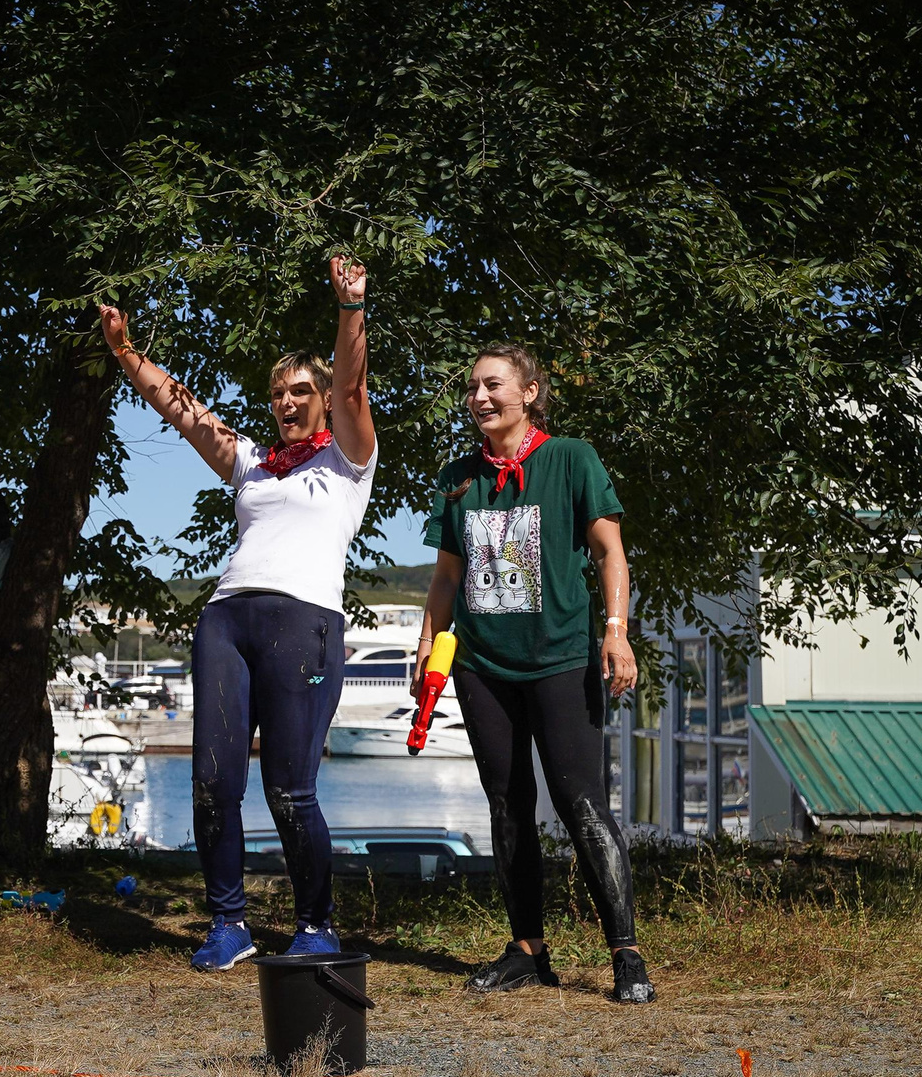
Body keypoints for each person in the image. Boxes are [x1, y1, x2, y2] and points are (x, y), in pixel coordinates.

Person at [100, 256, 376, 972]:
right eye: (279, 392)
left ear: (322, 399)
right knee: (215, 781)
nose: (287, 402)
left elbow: (352, 383)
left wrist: (351, 307)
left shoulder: (348, 459)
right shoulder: (252, 461)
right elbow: (185, 410)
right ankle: (229, 922)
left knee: (289, 786)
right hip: (227, 620)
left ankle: (316, 920)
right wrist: (128, 354)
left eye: (301, 390)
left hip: (304, 625)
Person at [416, 346, 654, 1004]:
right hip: (483, 667)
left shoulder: (571, 458)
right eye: (472, 387)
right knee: (508, 805)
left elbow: (611, 553)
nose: (479, 396)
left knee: (582, 805)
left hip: (560, 660)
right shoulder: (458, 477)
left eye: (493, 384)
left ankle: (625, 952)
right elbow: (446, 577)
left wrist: (615, 632)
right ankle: (528, 949)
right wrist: (427, 640)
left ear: (529, 390)